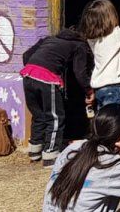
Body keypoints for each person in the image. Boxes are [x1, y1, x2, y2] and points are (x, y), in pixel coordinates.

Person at [22, 25, 95, 166]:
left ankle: (34, 152)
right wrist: (89, 90)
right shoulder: (78, 45)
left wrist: (35, 70)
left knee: (38, 115)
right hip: (47, 78)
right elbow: (79, 73)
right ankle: (50, 156)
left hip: (28, 74)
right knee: (55, 117)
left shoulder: (50, 39)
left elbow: (26, 55)